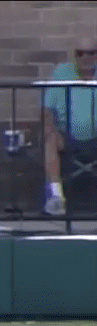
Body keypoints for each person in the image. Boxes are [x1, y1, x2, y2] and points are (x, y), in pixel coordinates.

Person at [42, 37, 97, 216]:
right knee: (50, 139)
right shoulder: (61, 73)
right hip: (67, 137)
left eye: (91, 53)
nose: (86, 57)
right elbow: (47, 109)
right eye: (80, 53)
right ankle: (56, 197)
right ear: (74, 56)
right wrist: (49, 127)